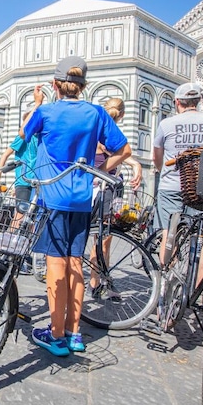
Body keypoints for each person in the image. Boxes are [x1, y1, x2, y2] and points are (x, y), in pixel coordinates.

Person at [22, 56, 131, 356]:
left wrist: (37, 101)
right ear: (83, 86)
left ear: (56, 84)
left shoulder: (45, 111)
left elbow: (23, 135)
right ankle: (74, 334)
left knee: (55, 264)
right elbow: (124, 150)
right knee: (75, 263)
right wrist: (100, 171)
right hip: (82, 198)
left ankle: (55, 336)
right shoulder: (96, 113)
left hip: (53, 197)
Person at [152, 82, 203, 289]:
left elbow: (158, 154)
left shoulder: (166, 124)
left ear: (177, 102)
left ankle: (169, 288)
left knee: (168, 233)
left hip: (171, 185)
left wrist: (162, 170)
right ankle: (197, 292)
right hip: (200, 187)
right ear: (199, 101)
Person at [89, 98, 142, 297]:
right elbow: (116, 152)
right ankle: (97, 281)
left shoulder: (97, 130)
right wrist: (135, 165)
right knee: (103, 239)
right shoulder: (106, 134)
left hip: (98, 189)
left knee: (98, 238)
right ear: (122, 115)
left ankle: (100, 280)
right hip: (105, 189)